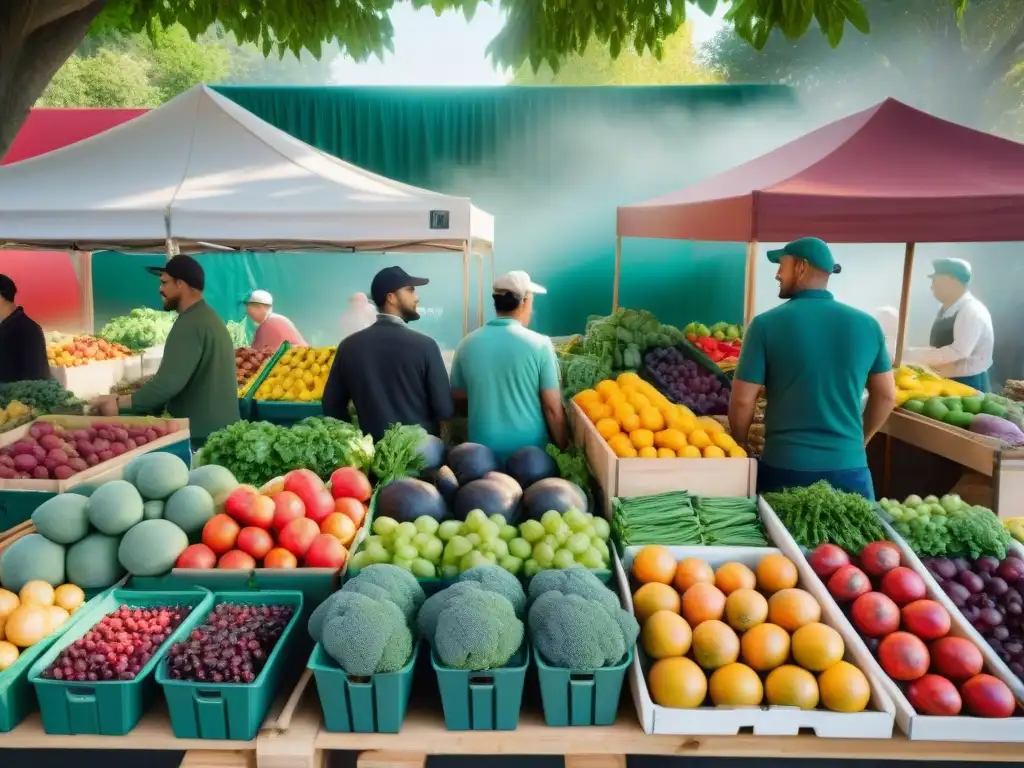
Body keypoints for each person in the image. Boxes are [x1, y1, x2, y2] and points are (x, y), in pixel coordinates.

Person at [728, 237, 896, 500]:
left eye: (782, 265)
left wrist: (741, 445)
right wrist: (858, 441)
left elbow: (741, 401)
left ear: (801, 267)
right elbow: (886, 395)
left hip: (786, 468)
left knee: (783, 540)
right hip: (849, 468)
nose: (777, 274)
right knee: (858, 542)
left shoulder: (765, 325)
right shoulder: (868, 325)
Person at [90, 256, 240, 449]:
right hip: (217, 430)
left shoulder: (190, 324)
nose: (160, 289)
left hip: (201, 436)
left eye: (164, 283)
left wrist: (118, 402)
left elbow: (167, 385)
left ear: (180, 284)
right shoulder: (207, 318)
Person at [322, 266, 453, 442]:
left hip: (373, 453)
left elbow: (331, 406)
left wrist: (359, 442)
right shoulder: (425, 346)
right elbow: (444, 410)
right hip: (421, 455)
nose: (417, 297)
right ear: (391, 298)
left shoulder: (348, 346)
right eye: (410, 290)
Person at [450, 271, 567, 461]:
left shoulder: (466, 344)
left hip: (482, 454)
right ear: (524, 302)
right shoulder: (540, 345)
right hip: (530, 456)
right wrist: (565, 450)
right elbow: (552, 409)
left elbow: (458, 397)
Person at [913, 258, 994, 392]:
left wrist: (918, 357)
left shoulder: (971, 310)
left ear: (952, 280)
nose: (932, 287)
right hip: (945, 379)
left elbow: (958, 351)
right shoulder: (945, 308)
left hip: (968, 382)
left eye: (935, 281)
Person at [0, 274, 50, 384]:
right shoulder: (5, 326)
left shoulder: (28, 331)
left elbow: (35, 377)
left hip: (16, 398)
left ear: (1, 298)